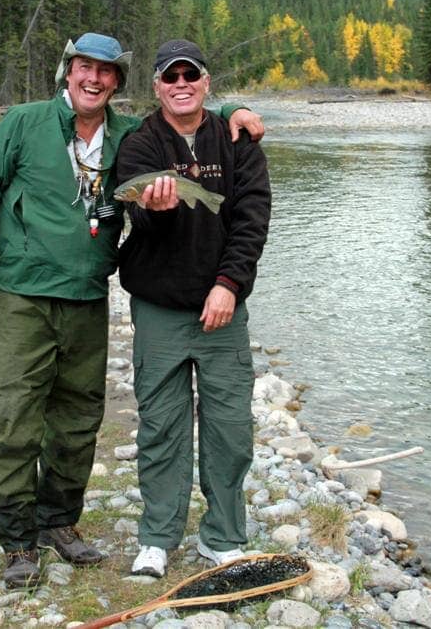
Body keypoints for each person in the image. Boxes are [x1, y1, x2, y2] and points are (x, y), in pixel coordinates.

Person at [0, 32, 263, 589]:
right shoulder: (26, 123)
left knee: (78, 420)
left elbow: (189, 118)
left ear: (117, 82)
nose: (92, 79)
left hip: (88, 296)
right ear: (67, 72)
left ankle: (59, 523)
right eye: (83, 68)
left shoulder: (127, 133)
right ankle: (18, 539)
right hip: (25, 293)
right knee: (17, 417)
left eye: (104, 71)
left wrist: (230, 109)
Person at [115, 39, 271, 578]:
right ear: (156, 86)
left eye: (191, 75)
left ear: (207, 82)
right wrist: (154, 210)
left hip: (223, 309)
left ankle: (223, 536)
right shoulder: (140, 143)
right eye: (170, 77)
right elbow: (141, 224)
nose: (181, 84)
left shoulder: (238, 138)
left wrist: (229, 283)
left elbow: (252, 218)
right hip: (159, 308)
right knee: (161, 425)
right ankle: (157, 536)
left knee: (230, 427)